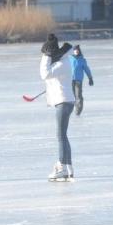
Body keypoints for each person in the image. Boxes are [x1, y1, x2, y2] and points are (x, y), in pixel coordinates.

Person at [39, 34, 75, 181]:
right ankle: (67, 166)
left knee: (60, 136)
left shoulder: (62, 63)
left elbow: (44, 73)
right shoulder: (61, 62)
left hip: (64, 102)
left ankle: (62, 166)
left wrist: (46, 57)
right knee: (63, 135)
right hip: (64, 101)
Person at [69, 45, 94, 116]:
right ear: (73, 51)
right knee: (71, 96)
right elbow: (64, 68)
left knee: (78, 96)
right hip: (70, 80)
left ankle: (78, 112)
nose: (76, 51)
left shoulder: (82, 60)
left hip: (78, 80)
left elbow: (86, 69)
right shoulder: (69, 59)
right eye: (75, 50)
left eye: (77, 50)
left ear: (79, 51)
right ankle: (69, 111)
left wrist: (90, 78)